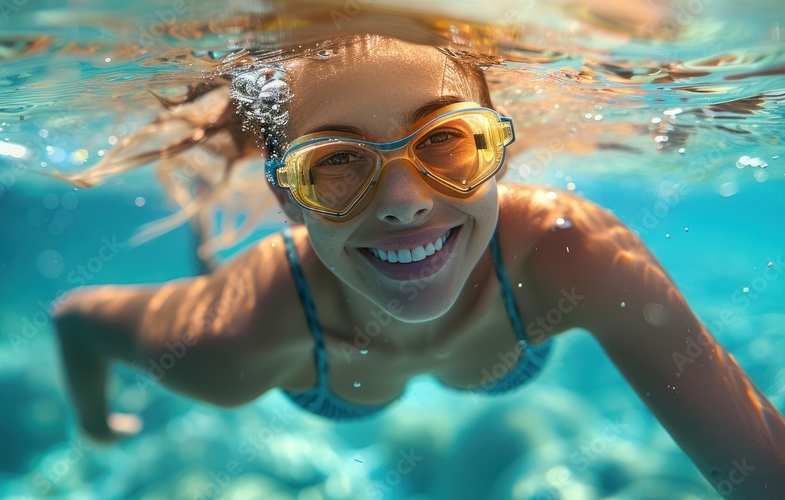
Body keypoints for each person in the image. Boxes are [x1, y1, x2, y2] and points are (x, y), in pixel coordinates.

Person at [52, 34, 785, 494]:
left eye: (444, 139)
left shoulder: (574, 253)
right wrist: (94, 425)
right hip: (291, 310)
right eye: (335, 162)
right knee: (209, 271)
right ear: (288, 198)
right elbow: (75, 319)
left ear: (497, 153)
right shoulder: (230, 339)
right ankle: (210, 242)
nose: (404, 202)